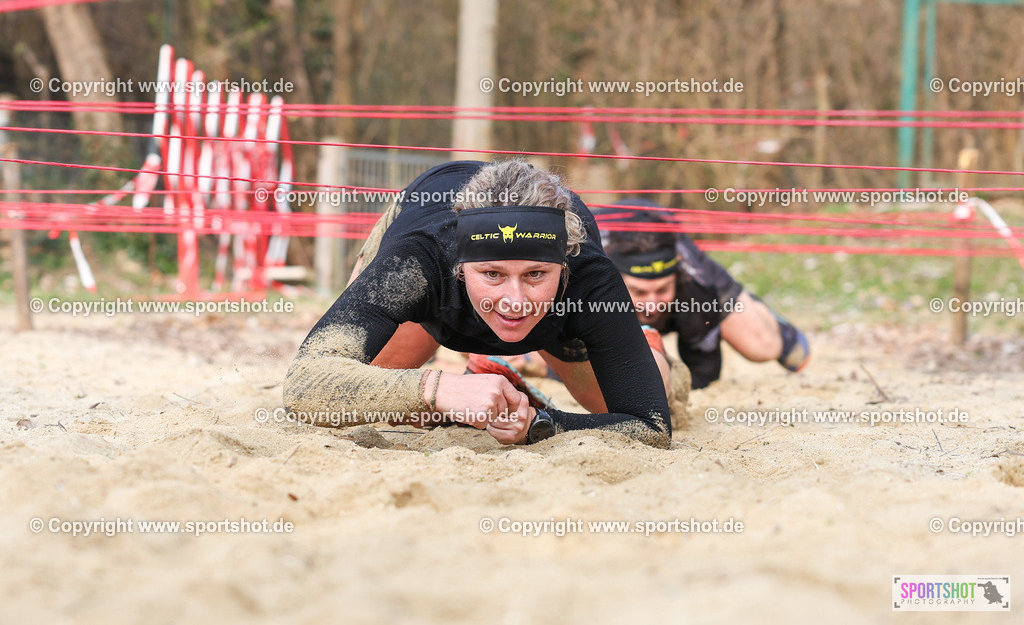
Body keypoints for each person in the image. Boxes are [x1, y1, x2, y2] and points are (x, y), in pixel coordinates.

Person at [283, 159, 689, 448]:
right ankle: (474, 376)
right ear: (459, 266)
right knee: (363, 391)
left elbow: (650, 427)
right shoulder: (416, 263)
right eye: (492, 274)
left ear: (564, 268)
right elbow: (306, 383)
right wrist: (440, 389)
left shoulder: (588, 274)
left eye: (535, 275)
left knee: (633, 400)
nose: (515, 301)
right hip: (433, 288)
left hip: (558, 321)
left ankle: (643, 341)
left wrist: (542, 423)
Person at [596, 199, 810, 390]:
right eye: (639, 292)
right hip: (608, 243)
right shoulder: (591, 282)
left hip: (665, 233)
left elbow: (705, 371)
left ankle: (763, 313)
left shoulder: (696, 283)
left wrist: (676, 382)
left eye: (662, 290)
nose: (652, 305)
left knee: (763, 347)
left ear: (677, 277)